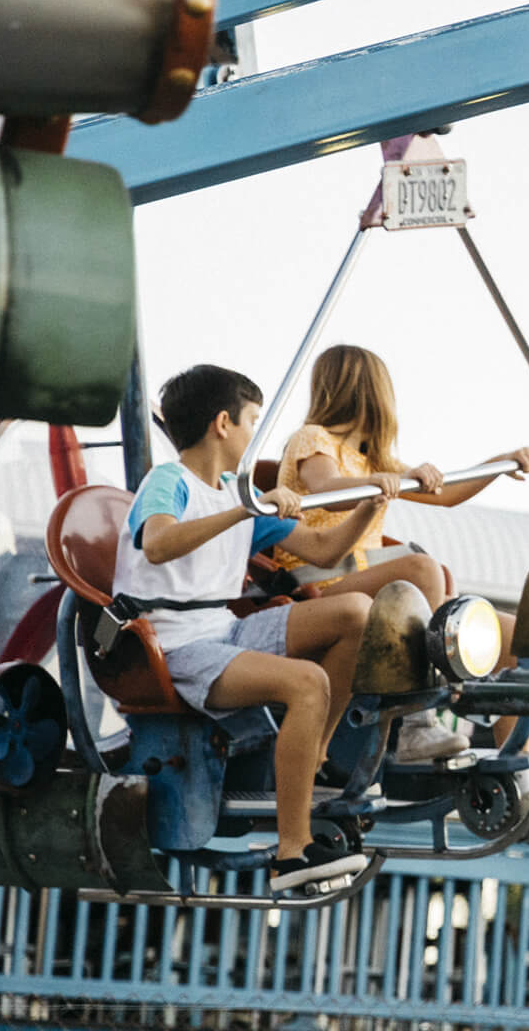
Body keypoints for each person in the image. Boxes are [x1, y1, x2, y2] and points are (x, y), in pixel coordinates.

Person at [273, 343, 529, 836]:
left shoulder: (370, 456)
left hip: (371, 589)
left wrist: (502, 462)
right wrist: (385, 481)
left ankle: (518, 780)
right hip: (322, 586)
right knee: (421, 569)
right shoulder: (313, 440)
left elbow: (448, 493)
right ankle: (416, 721)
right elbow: (324, 483)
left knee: (506, 635)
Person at [112, 365, 394, 893]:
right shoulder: (169, 482)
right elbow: (157, 543)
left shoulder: (235, 493)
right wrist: (242, 512)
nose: (254, 434)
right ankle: (292, 854)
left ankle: (312, 761)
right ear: (223, 423)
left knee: (357, 611)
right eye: (252, 422)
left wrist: (367, 504)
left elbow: (325, 551)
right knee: (307, 684)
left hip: (223, 630)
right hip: (175, 647)